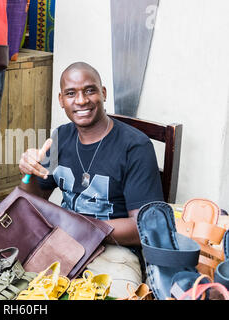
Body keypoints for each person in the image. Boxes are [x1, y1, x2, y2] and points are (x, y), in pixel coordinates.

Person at [18, 61, 164, 298]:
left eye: (89, 90)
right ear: (61, 100)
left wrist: (75, 226)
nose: (81, 100)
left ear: (103, 93)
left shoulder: (135, 147)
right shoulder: (61, 136)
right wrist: (28, 172)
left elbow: (142, 227)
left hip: (116, 253)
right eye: (71, 93)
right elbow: (31, 204)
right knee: (12, 287)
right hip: (63, 243)